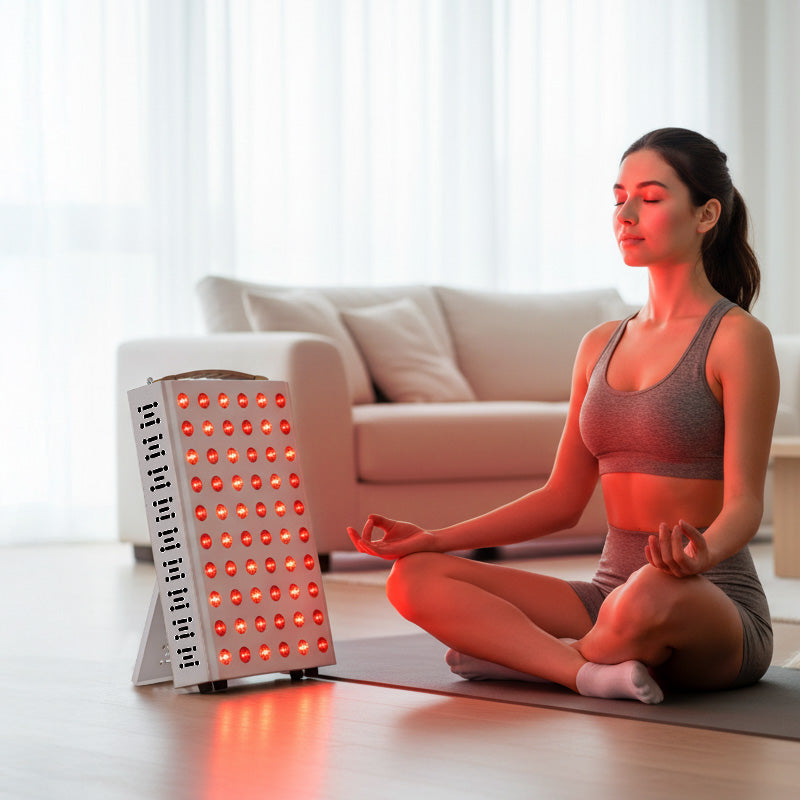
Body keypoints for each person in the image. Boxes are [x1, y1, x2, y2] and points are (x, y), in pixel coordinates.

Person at [348, 128, 778, 704]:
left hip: (706, 599)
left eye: (649, 198)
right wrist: (434, 539)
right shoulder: (599, 343)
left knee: (648, 592)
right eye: (619, 196)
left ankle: (524, 657)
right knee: (415, 577)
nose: (625, 213)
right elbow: (560, 498)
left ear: (706, 215)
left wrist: (702, 551)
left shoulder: (736, 338)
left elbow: (746, 504)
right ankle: (585, 669)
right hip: (606, 596)